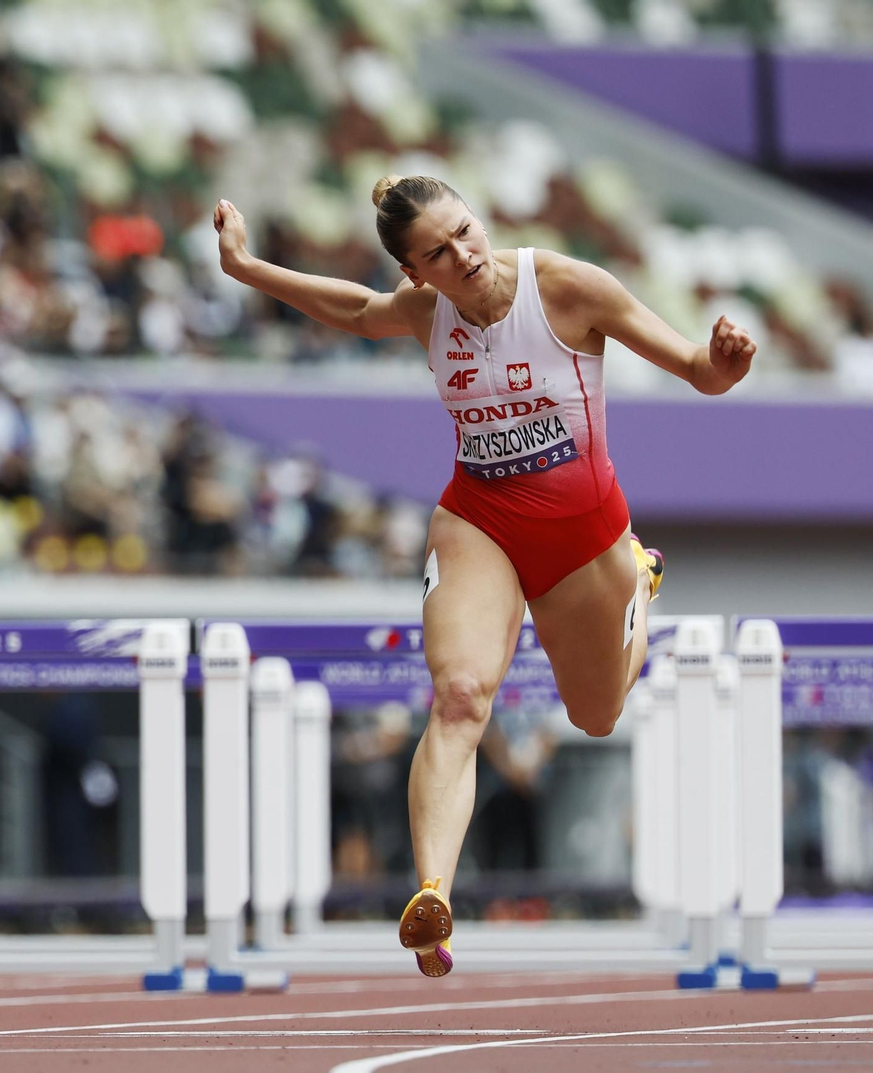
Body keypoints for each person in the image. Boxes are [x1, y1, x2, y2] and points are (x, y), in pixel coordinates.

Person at [214, 176, 755, 976]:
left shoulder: (567, 287)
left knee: (597, 714)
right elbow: (356, 311)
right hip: (481, 520)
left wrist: (722, 363)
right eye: (436, 252)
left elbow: (695, 371)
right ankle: (432, 898)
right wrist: (248, 269)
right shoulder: (427, 313)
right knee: (461, 694)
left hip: (585, 536)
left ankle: (639, 577)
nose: (463, 255)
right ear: (415, 272)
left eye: (465, 231)